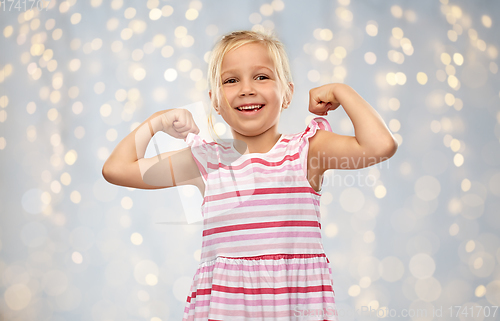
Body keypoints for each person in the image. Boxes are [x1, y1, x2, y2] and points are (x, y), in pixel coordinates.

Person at [102, 30, 398, 320]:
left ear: (287, 93)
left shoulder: (307, 151)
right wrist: (158, 121)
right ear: (215, 101)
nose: (246, 89)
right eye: (231, 80)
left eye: (262, 76)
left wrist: (340, 91)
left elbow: (380, 145)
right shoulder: (206, 161)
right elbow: (117, 169)